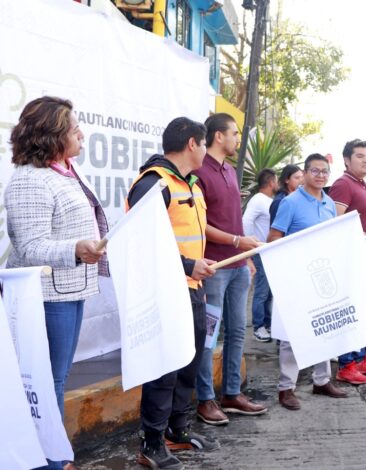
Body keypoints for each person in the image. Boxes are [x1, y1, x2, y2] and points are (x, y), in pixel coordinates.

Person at [5, 96, 107, 470]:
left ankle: (53, 455)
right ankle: (49, 460)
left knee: (55, 379)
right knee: (47, 384)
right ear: (51, 135)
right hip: (47, 297)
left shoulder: (62, 170)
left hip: (69, 290)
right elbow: (30, 247)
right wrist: (76, 249)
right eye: (73, 127)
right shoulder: (31, 180)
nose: (82, 133)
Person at [126, 116, 219, 469]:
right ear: (193, 143)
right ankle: (150, 443)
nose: (206, 151)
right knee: (164, 367)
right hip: (166, 291)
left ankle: (176, 432)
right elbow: (143, 241)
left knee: (187, 364)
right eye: (205, 143)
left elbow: (185, 238)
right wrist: (186, 266)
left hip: (193, 289)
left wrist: (196, 267)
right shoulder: (154, 183)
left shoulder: (190, 184)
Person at [193, 113, 267, 426]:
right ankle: (205, 399)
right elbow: (201, 224)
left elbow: (233, 218)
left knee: (237, 331)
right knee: (208, 336)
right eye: (234, 133)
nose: (239, 139)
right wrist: (237, 241)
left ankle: (232, 393)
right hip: (213, 267)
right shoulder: (199, 171)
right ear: (219, 136)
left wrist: (245, 256)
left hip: (237, 266)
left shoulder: (229, 170)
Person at [267, 154, 348, 410]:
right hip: (295, 277)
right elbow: (273, 238)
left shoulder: (328, 204)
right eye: (316, 171)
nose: (321, 176)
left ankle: (322, 380)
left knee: (325, 327)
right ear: (305, 173)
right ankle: (286, 388)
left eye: (325, 172)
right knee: (291, 335)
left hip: (322, 277)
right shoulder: (290, 203)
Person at [328, 138, 366, 384]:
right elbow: (336, 222)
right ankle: (346, 364)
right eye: (360, 156)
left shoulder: (362, 184)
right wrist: (363, 237)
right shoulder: (343, 184)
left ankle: (361, 357)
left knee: (363, 309)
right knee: (351, 311)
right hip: (349, 257)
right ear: (346, 160)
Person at [243, 169, 278, 343]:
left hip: (269, 251)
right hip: (261, 250)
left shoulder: (267, 200)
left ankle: (267, 323)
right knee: (262, 291)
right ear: (272, 182)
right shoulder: (258, 200)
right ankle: (259, 327)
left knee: (269, 291)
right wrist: (251, 245)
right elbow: (246, 221)